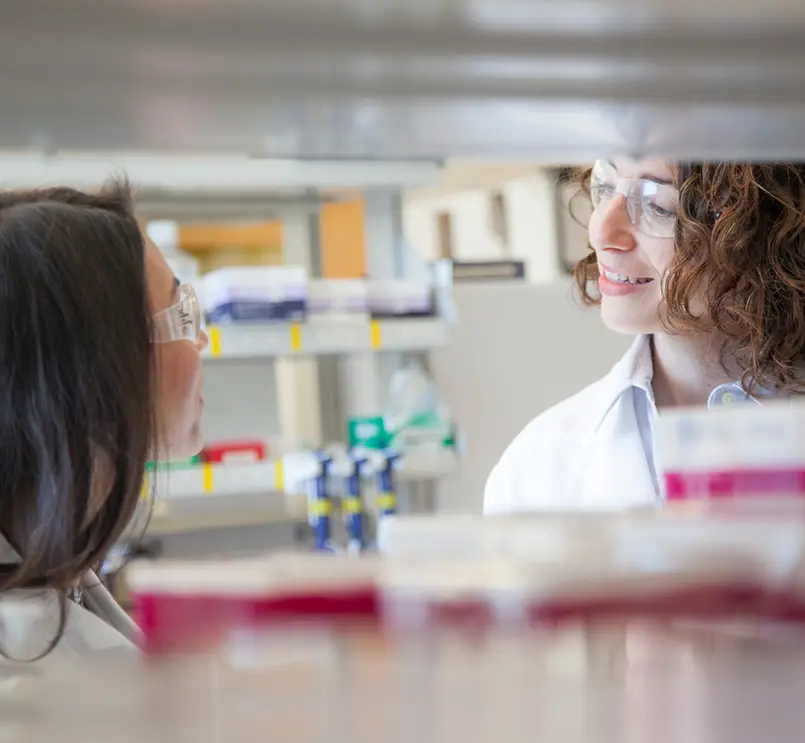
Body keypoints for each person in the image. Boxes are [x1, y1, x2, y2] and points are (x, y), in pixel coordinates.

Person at [485, 159, 805, 514]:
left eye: (658, 206)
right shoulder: (537, 467)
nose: (602, 233)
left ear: (774, 229)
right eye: (605, 187)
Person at [0, 181, 208, 661]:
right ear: (96, 365)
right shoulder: (23, 650)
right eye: (180, 316)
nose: (200, 342)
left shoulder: (53, 569)